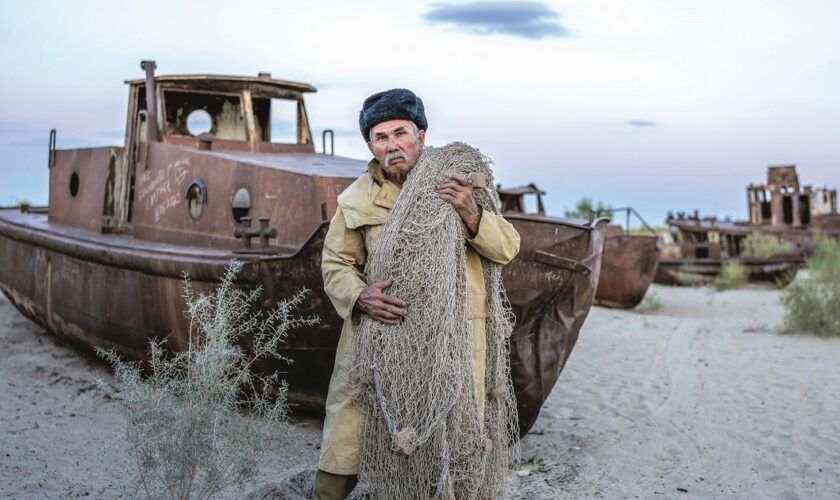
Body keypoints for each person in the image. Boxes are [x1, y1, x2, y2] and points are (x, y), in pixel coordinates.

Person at [312, 88, 520, 500]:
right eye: (381, 137)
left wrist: (471, 213)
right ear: (370, 145)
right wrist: (360, 296)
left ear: (420, 136)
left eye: (400, 133)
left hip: (451, 344)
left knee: (449, 447)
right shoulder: (356, 199)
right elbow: (335, 264)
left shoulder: (458, 183)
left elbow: (508, 247)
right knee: (344, 452)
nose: (392, 146)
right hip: (380, 339)